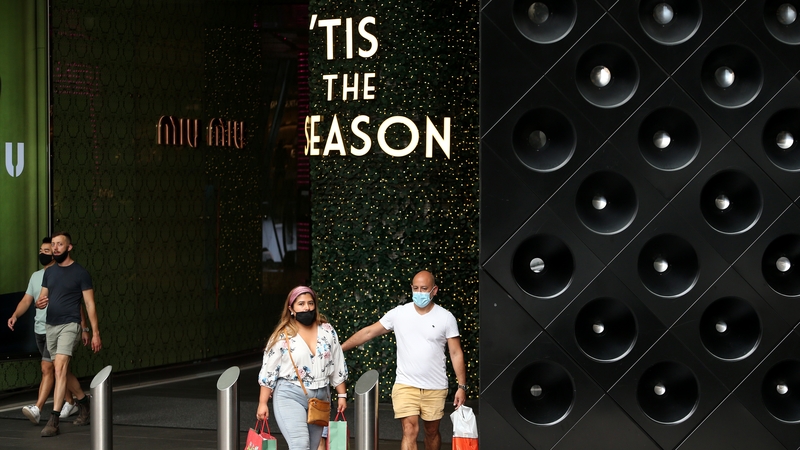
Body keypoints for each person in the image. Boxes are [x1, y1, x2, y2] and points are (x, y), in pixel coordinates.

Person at [341, 270, 467, 450]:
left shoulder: (446, 318)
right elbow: (369, 332)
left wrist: (462, 386)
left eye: (424, 288)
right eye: (416, 288)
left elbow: (456, 353)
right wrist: (340, 349)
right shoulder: (399, 313)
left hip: (435, 386)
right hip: (405, 384)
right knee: (409, 430)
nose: (419, 292)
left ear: (434, 290)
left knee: (431, 432)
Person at [257, 286, 348, 450]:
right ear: (291, 309)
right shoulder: (283, 335)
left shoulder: (327, 330)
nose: (307, 308)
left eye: (310, 303)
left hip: (321, 396)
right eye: (301, 304)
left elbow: (337, 362)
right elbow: (268, 371)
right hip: (290, 394)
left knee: (312, 447)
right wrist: (263, 403)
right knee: (299, 444)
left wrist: (342, 394)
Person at [6, 237, 84, 424]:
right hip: (40, 329)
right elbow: (27, 300)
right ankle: (76, 401)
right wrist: (15, 315)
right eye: (41, 251)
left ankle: (38, 408)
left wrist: (86, 328)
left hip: (58, 327)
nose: (43, 254)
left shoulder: (65, 274)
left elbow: (79, 303)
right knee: (60, 370)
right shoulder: (36, 276)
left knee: (47, 368)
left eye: (47, 251)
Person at [35, 231, 102, 437]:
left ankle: (54, 420)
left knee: (60, 368)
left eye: (59, 244)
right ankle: (84, 402)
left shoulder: (80, 273)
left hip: (70, 325)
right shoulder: (49, 273)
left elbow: (89, 304)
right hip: (51, 325)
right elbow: (42, 298)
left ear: (69, 247)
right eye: (53, 244)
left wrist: (93, 332)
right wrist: (39, 303)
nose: (55, 248)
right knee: (60, 369)